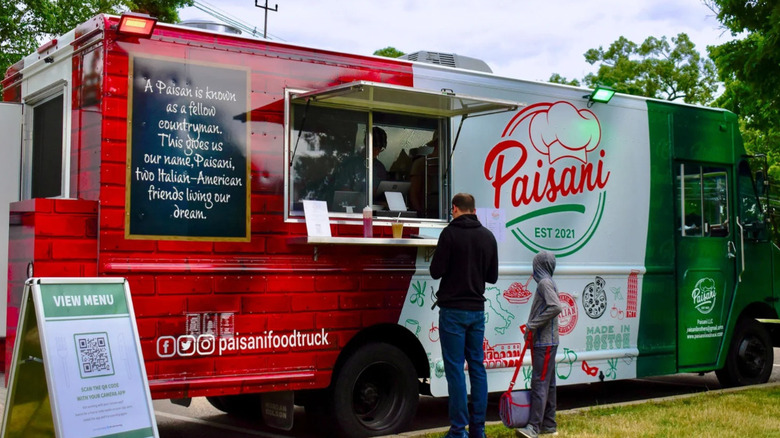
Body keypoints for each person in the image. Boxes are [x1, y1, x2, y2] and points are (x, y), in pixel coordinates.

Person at [430, 193, 499, 438]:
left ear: (455, 208)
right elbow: (492, 277)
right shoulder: (488, 236)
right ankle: (479, 430)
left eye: (452, 211)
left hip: (452, 312)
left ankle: (459, 430)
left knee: (456, 370)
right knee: (478, 368)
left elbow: (435, 271)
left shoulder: (449, 234)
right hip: (477, 311)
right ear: (474, 210)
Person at [516, 251, 562, 438]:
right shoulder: (549, 281)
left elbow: (556, 306)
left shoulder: (544, 283)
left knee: (539, 383)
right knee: (548, 383)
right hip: (549, 342)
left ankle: (534, 427)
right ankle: (549, 425)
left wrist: (532, 324)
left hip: (545, 343)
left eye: (535, 265)